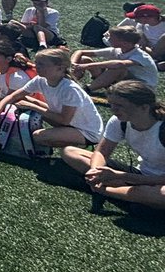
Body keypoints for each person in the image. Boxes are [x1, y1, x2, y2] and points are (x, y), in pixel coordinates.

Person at [60, 80, 165, 212]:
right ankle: (130, 194)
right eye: (112, 105)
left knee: (162, 195)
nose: (114, 110)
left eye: (120, 105)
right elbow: (102, 152)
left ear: (144, 107)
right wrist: (96, 172)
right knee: (70, 152)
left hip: (159, 182)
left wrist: (119, 176)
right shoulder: (119, 121)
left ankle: (106, 190)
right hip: (141, 174)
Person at [0, 48, 103, 150]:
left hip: (86, 131)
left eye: (42, 64)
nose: (37, 67)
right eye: (37, 63)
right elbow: (15, 96)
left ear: (60, 68)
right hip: (69, 123)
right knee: (29, 101)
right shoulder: (40, 80)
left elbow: (64, 120)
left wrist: (33, 107)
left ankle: (83, 146)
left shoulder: (69, 89)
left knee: (37, 137)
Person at [70, 27, 158, 93]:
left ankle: (86, 89)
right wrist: (73, 64)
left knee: (118, 69)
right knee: (84, 59)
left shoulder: (141, 56)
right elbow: (80, 52)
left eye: (111, 38)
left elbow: (120, 64)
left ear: (124, 43)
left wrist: (87, 66)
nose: (108, 40)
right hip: (124, 82)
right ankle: (70, 81)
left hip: (143, 89)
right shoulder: (116, 50)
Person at [131, 4, 165, 69]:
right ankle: (156, 62)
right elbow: (142, 43)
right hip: (150, 50)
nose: (135, 20)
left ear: (146, 18)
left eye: (137, 17)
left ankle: (154, 62)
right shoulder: (141, 25)